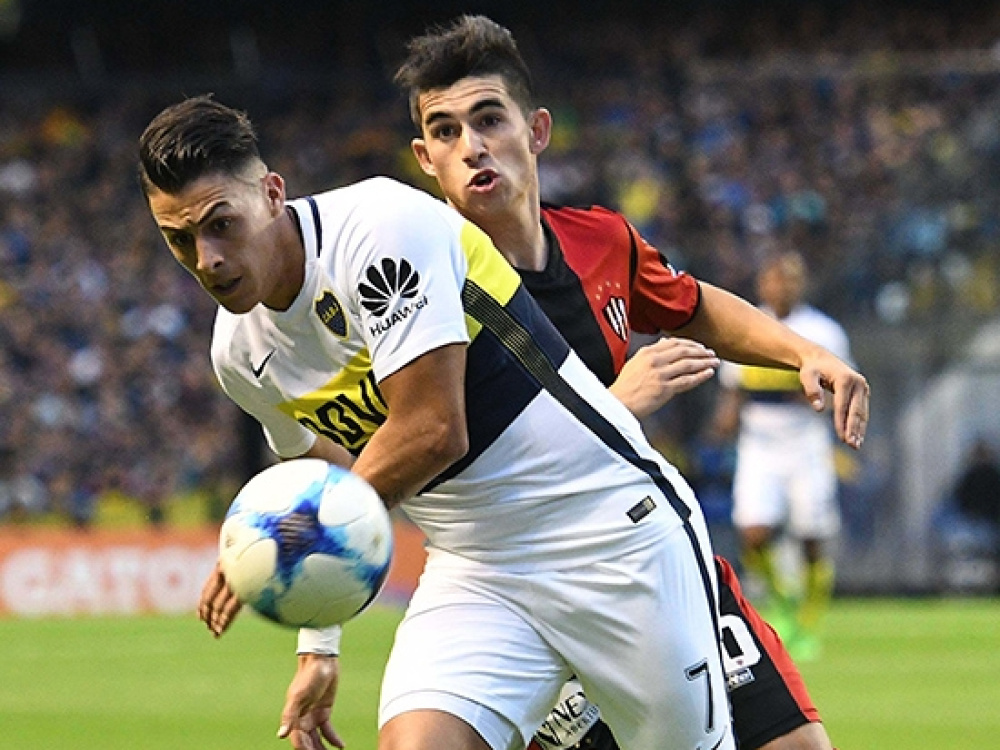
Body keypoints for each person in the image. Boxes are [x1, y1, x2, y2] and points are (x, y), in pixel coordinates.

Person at [139, 95, 735, 750]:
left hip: (611, 533)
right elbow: (323, 479)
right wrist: (319, 640)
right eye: (180, 239)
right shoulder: (238, 355)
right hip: (475, 569)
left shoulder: (378, 228)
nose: (206, 258)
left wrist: (287, 534)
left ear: (272, 195)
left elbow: (432, 430)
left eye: (221, 224)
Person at [393, 14, 869, 750]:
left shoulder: (600, 240)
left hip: (648, 545)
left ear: (537, 130)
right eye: (446, 132)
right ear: (426, 159)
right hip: (522, 583)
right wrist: (615, 407)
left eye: (489, 119)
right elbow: (450, 461)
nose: (472, 147)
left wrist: (803, 352)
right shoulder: (422, 295)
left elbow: (695, 305)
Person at [712, 250, 854, 662]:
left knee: (812, 536)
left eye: (790, 279)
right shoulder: (748, 323)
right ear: (763, 283)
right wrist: (724, 421)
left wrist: (820, 402)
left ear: (801, 284)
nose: (781, 287)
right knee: (753, 532)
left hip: (805, 442)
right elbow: (734, 386)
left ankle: (809, 622)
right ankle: (783, 602)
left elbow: (841, 387)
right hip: (758, 442)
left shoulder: (823, 332)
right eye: (775, 279)